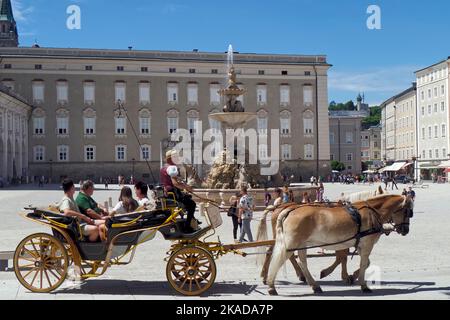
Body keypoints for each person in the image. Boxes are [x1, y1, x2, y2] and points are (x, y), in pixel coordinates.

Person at [160, 150, 197, 233]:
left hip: (168, 193)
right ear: (171, 158)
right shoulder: (172, 167)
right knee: (192, 204)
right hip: (174, 194)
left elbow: (171, 181)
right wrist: (187, 187)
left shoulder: (164, 167)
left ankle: (192, 220)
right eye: (176, 157)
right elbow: (175, 183)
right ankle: (187, 226)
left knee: (188, 199)